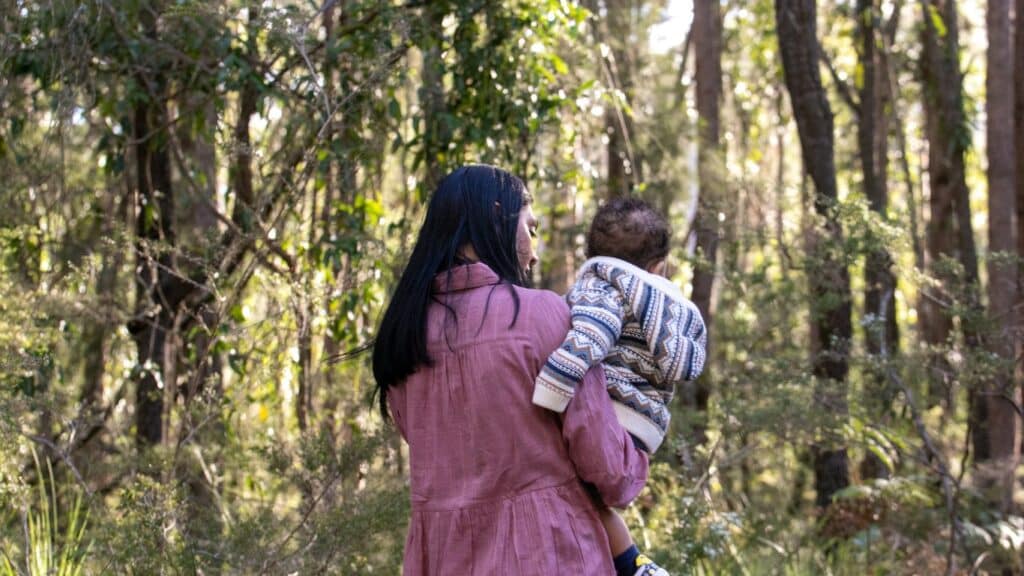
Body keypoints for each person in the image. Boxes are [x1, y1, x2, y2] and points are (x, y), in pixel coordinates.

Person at [373, 164, 650, 575]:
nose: (535, 253)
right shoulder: (541, 315)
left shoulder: (404, 337)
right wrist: (639, 443)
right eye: (531, 228)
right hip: (550, 555)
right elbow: (611, 473)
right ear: (500, 215)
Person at [534, 197, 708, 576]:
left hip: (610, 415)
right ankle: (634, 564)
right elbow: (685, 364)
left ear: (593, 255)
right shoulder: (671, 306)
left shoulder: (603, 290)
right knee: (590, 499)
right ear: (658, 265)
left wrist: (550, 390)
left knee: (578, 494)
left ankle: (634, 566)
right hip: (645, 427)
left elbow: (590, 338)